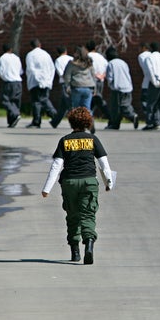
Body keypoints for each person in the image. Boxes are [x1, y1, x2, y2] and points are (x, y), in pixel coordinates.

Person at [41, 107, 114, 265]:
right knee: (88, 214)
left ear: (71, 122)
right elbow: (103, 163)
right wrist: (109, 182)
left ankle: (75, 251)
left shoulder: (65, 140)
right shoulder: (92, 139)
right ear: (88, 122)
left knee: (72, 215)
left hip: (69, 182)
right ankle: (88, 243)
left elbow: (56, 165)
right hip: (89, 181)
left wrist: (47, 189)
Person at [62, 46, 97, 132]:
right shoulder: (89, 63)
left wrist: (67, 87)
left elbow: (67, 76)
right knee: (87, 108)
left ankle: (78, 127)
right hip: (88, 87)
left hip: (77, 87)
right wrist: (95, 88)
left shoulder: (71, 63)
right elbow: (93, 75)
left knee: (76, 108)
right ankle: (90, 122)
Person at [25, 38, 57, 128]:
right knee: (44, 98)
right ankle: (53, 115)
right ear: (40, 45)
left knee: (36, 101)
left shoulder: (30, 55)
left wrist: (39, 80)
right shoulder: (46, 54)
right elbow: (52, 68)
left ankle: (38, 120)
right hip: (46, 80)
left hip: (35, 81)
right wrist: (49, 80)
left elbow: (31, 69)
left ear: (31, 46)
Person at [104, 46, 137, 130]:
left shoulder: (111, 64)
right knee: (126, 104)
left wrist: (110, 85)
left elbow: (110, 77)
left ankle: (130, 116)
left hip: (117, 88)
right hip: (127, 87)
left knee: (117, 108)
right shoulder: (123, 62)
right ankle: (126, 118)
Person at [0, 43, 23, 128]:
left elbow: (0, 71)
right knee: (15, 102)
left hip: (9, 82)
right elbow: (21, 71)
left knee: (5, 100)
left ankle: (15, 114)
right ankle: (11, 121)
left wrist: (4, 78)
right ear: (11, 49)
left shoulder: (3, 58)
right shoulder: (16, 58)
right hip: (18, 81)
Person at [85, 40, 110, 120]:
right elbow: (107, 67)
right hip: (101, 80)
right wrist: (102, 75)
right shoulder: (100, 57)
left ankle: (109, 116)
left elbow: (87, 68)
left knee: (94, 99)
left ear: (86, 48)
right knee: (96, 99)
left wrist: (95, 75)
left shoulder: (87, 56)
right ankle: (88, 115)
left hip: (91, 81)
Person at [51, 45, 73, 128]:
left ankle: (73, 120)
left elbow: (60, 73)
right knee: (63, 105)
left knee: (68, 103)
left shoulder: (58, 61)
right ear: (66, 51)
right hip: (72, 82)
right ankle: (55, 122)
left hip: (64, 83)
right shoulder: (71, 58)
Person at [137, 42, 152, 126]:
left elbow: (146, 70)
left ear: (144, 47)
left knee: (145, 102)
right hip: (156, 82)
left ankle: (149, 121)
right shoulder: (153, 55)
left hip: (147, 82)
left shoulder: (142, 56)